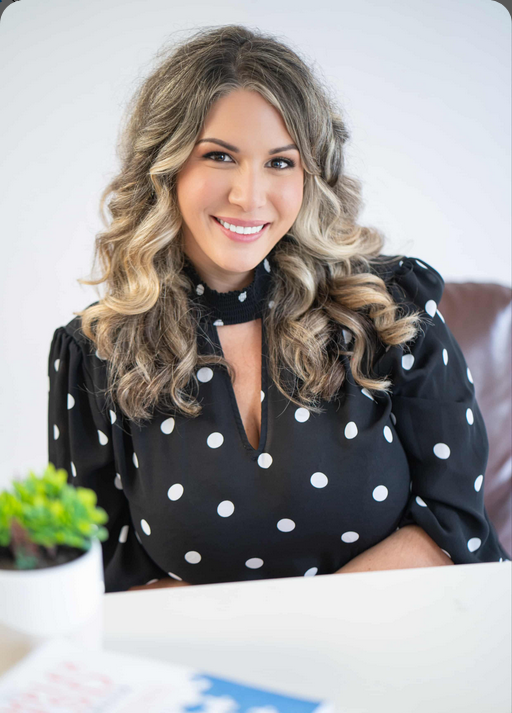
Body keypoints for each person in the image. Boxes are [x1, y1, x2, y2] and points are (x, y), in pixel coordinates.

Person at [47, 25, 509, 593]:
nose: (249, 195)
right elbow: (100, 579)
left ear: (312, 174)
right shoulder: (94, 353)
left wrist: (303, 641)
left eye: (281, 162)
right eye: (219, 155)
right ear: (164, 166)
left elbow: (453, 530)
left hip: (400, 648)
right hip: (209, 670)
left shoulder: (391, 310)